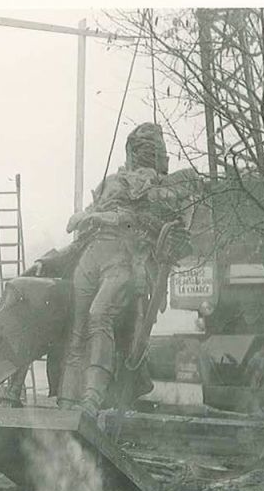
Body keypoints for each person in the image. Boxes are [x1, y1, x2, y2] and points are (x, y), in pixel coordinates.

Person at [37, 123, 196, 416]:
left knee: (99, 316)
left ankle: (91, 400)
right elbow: (82, 229)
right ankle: (67, 403)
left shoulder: (168, 188)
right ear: (133, 152)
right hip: (92, 254)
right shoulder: (111, 182)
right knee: (76, 328)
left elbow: (156, 229)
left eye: (153, 148)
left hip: (125, 258)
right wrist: (61, 247)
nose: (148, 153)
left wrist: (100, 217)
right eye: (143, 148)